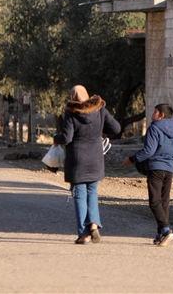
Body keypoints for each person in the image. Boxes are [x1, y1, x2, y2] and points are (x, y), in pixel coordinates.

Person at [54, 85, 120, 245]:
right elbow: (116, 128)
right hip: (96, 159)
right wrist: (100, 128)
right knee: (92, 193)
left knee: (79, 196)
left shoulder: (71, 112)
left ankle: (84, 235)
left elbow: (67, 137)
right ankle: (94, 224)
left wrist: (56, 138)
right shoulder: (100, 110)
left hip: (77, 160)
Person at [122, 103, 173, 247]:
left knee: (154, 201)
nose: (152, 115)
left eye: (155, 112)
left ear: (161, 115)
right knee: (164, 201)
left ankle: (166, 230)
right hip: (169, 168)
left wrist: (132, 159)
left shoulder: (154, 128)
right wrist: (168, 159)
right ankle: (160, 234)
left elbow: (149, 150)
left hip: (156, 168)